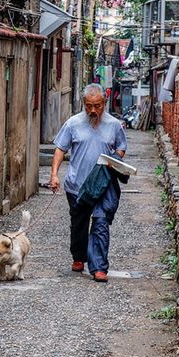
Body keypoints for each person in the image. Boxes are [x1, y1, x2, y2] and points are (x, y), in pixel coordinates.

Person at [48, 84, 127, 283]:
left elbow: (121, 148)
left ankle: (99, 267)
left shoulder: (114, 125)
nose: (93, 110)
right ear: (83, 104)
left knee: (100, 222)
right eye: (89, 105)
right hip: (77, 185)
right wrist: (54, 175)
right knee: (79, 224)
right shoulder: (73, 123)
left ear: (104, 103)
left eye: (97, 106)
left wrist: (115, 160)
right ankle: (78, 256)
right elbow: (60, 149)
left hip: (103, 185)